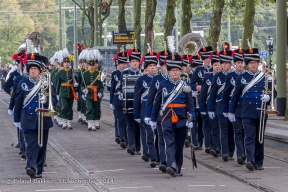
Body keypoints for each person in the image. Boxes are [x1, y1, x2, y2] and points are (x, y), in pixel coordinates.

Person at [229, 47, 276, 171]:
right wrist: (231, 111)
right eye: (251, 63)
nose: (253, 65)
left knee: (259, 138)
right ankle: (249, 160)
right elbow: (235, 96)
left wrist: (268, 97)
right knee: (249, 136)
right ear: (247, 64)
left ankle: (259, 162)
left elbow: (274, 93)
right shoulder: (242, 77)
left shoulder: (265, 77)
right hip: (247, 111)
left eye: (255, 63)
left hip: (261, 112)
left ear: (258, 64)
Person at [150, 54, 196, 177]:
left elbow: (191, 105)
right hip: (167, 118)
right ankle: (171, 165)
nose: (175, 73)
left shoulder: (186, 85)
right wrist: (153, 119)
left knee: (179, 144)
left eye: (177, 70)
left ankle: (178, 167)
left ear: (180, 71)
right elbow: (157, 102)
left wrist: (192, 118)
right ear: (168, 72)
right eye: (172, 71)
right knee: (169, 142)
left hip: (182, 119)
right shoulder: (163, 84)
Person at [13, 53, 57, 178]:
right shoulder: (23, 83)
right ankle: (30, 166)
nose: (33, 71)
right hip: (27, 119)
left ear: (39, 71)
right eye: (31, 69)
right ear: (28, 70)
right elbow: (18, 102)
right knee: (30, 144)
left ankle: (38, 169)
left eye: (35, 69)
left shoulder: (47, 83)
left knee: (41, 146)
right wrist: (16, 118)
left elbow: (54, 100)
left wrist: (47, 101)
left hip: (43, 119)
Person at [144, 49, 171, 172]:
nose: (167, 67)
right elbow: (150, 98)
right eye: (165, 64)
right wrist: (149, 115)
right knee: (161, 137)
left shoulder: (180, 79)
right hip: (161, 113)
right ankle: (163, 161)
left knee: (171, 139)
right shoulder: (157, 79)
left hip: (175, 115)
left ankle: (170, 160)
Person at [208, 50, 235, 162]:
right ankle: (224, 152)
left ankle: (231, 151)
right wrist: (210, 108)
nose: (224, 65)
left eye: (226, 63)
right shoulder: (217, 76)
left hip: (232, 106)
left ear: (230, 64)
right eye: (222, 63)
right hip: (219, 106)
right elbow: (212, 94)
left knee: (232, 131)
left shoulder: (235, 76)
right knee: (223, 130)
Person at [133, 51, 158, 167]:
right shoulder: (141, 80)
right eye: (150, 66)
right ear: (146, 68)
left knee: (158, 133)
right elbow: (137, 97)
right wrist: (136, 114)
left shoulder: (162, 78)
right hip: (145, 108)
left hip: (158, 109)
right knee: (147, 133)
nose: (153, 68)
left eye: (154, 66)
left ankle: (156, 154)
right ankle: (150, 155)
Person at [222, 48, 246, 165]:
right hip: (235, 107)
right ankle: (240, 154)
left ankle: (245, 153)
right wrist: (226, 109)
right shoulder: (230, 76)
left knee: (245, 132)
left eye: (242, 62)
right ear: (235, 64)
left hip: (246, 107)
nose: (240, 65)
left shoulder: (248, 76)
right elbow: (226, 94)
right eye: (238, 63)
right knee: (237, 131)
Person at [190, 46, 213, 150]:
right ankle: (202, 143)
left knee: (212, 123)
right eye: (205, 58)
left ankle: (213, 144)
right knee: (202, 122)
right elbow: (191, 84)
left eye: (209, 58)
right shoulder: (199, 69)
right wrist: (196, 87)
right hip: (201, 100)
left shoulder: (215, 69)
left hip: (212, 99)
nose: (208, 60)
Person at [199, 52, 221, 156]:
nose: (217, 67)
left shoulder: (225, 77)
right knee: (212, 127)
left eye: (218, 65)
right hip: (210, 105)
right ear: (212, 66)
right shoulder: (207, 78)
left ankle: (218, 147)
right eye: (215, 65)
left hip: (220, 106)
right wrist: (202, 108)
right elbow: (203, 95)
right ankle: (211, 146)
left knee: (220, 127)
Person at [55, 48, 79, 129]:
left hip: (71, 91)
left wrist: (76, 85)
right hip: (63, 92)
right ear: (63, 63)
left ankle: (69, 122)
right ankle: (64, 121)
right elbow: (58, 84)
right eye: (65, 62)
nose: (67, 64)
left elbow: (75, 81)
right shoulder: (60, 72)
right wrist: (57, 93)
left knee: (69, 107)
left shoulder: (72, 72)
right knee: (64, 106)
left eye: (68, 62)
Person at [82, 49, 104, 130]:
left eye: (92, 65)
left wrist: (100, 92)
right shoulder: (85, 74)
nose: (91, 66)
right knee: (89, 108)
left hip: (96, 93)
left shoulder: (98, 74)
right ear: (87, 65)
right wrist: (83, 90)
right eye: (90, 65)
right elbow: (82, 85)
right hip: (88, 93)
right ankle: (90, 123)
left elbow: (101, 86)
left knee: (96, 108)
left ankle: (96, 121)